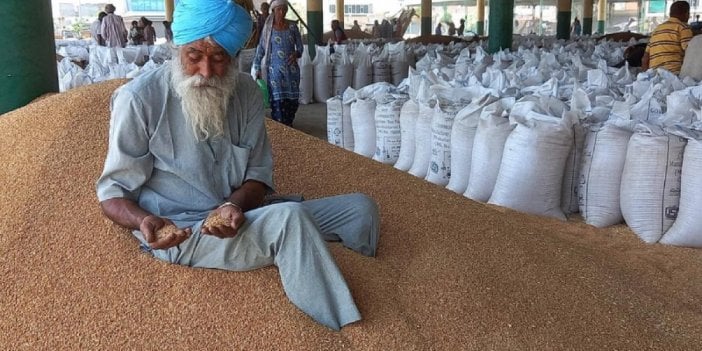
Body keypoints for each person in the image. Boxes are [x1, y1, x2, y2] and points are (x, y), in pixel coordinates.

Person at [96, 0, 379, 331]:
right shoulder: (139, 99)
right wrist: (146, 221)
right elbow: (112, 193)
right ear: (178, 49)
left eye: (218, 59)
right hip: (185, 232)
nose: (206, 71)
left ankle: (367, 277)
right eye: (194, 57)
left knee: (361, 209)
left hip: (239, 217)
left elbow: (257, 177)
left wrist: (234, 205)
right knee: (289, 220)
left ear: (234, 56)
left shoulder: (244, 91)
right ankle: (349, 331)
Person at [253, 0, 304, 126]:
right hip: (275, 71)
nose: (282, 12)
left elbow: (300, 47)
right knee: (278, 102)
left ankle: (288, 125)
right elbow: (261, 48)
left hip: (292, 72)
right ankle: (281, 129)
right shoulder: (268, 28)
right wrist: (256, 65)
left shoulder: (292, 27)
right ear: (273, 11)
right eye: (279, 9)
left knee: (292, 102)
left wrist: (296, 54)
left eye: (284, 10)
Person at [642, 1, 693, 74]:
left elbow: (645, 59)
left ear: (670, 14)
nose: (688, 17)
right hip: (674, 74)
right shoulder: (683, 28)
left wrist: (647, 76)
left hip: (655, 76)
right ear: (686, 14)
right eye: (688, 14)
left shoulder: (657, 30)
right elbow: (691, 53)